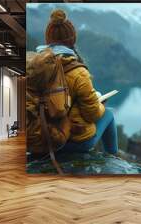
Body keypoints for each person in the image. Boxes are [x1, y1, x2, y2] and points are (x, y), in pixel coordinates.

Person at [36, 9, 118, 156]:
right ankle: (112, 159)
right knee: (109, 114)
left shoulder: (36, 68)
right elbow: (92, 115)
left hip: (44, 139)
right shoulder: (78, 73)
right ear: (72, 40)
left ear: (48, 39)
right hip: (73, 142)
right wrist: (100, 104)